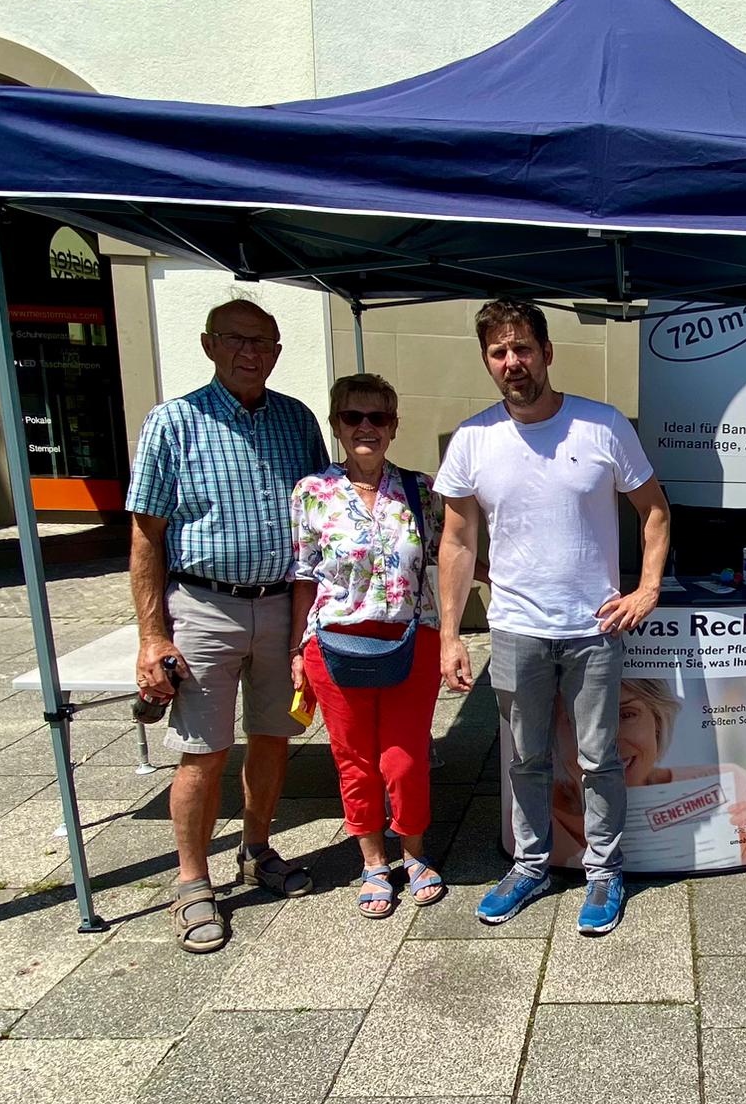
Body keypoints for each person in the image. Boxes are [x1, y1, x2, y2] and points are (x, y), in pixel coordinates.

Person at [435, 298, 671, 935]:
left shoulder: (601, 426)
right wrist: (450, 635)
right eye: (498, 352)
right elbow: (456, 543)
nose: (513, 363)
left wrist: (645, 590)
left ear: (546, 352)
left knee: (598, 757)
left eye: (523, 349)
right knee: (526, 757)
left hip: (594, 627)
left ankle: (604, 871)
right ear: (488, 360)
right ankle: (530, 865)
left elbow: (654, 510)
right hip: (516, 627)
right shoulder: (473, 440)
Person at [128, 298, 328, 953]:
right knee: (204, 752)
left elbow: (317, 522)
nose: (252, 353)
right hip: (204, 606)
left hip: (279, 604)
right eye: (239, 341)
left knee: (273, 737)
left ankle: (256, 848)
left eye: (265, 343)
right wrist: (152, 636)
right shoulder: (174, 422)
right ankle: (191, 883)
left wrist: (312, 620)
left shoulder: (297, 421)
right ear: (211, 344)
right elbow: (146, 536)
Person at [289, 373, 447, 917]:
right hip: (334, 643)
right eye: (353, 417)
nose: (365, 427)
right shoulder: (312, 493)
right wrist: (295, 651)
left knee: (404, 760)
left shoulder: (421, 489)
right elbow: (304, 574)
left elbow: (447, 558)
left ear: (393, 426)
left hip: (411, 637)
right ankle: (373, 861)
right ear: (336, 424)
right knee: (354, 759)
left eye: (377, 418)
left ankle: (415, 852)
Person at [549, 678, 746, 867]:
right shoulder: (536, 813)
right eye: (581, 720)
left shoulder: (731, 787)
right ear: (555, 735)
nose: (608, 741)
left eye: (626, 715)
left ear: (657, 722)